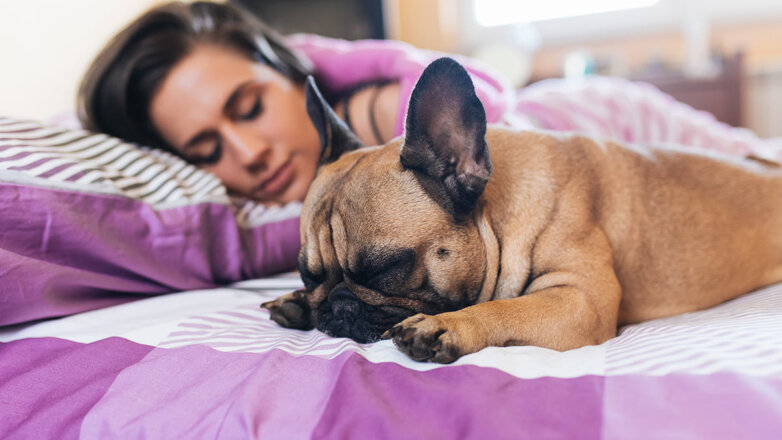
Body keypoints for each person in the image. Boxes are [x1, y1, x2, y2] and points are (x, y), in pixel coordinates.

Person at [79, 1, 780, 207]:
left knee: (758, 172)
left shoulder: (390, 114)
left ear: (294, 74)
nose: (248, 153)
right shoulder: (236, 208)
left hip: (602, 119)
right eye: (204, 150)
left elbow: (514, 173)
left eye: (249, 106)